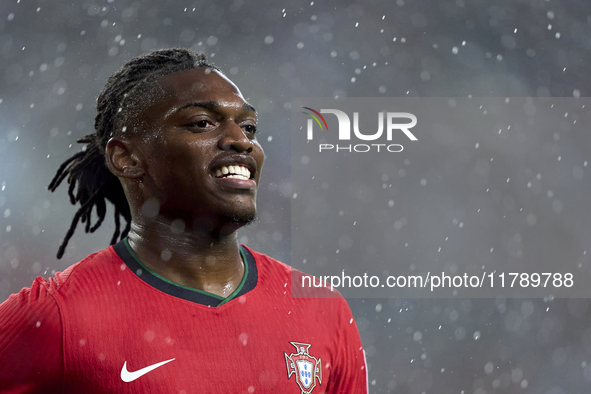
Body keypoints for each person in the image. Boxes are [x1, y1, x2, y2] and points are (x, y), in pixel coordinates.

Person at [0, 48, 367, 393]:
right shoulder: (57, 315)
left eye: (249, 127)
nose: (241, 141)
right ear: (126, 158)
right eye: (202, 123)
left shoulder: (322, 309)